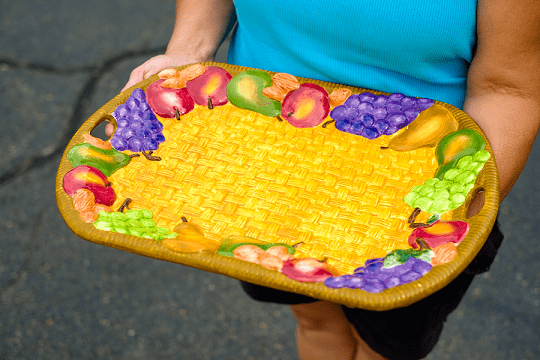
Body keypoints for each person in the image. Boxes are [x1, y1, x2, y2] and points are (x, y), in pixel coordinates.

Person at [115, 1, 540, 359]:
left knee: (383, 347)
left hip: (411, 201)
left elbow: (509, 88)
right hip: (255, 169)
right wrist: (188, 50)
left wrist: (448, 208)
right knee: (314, 318)